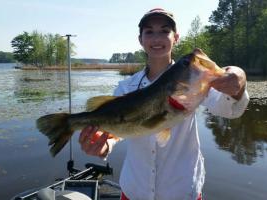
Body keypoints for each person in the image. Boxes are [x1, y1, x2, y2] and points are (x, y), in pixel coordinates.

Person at [79, 8, 249, 200]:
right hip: (135, 190)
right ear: (140, 40)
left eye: (164, 31)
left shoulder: (197, 83)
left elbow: (231, 110)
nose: (156, 38)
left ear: (175, 37)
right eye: (149, 32)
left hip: (182, 191)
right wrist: (104, 145)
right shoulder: (125, 88)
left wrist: (240, 82)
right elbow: (118, 132)